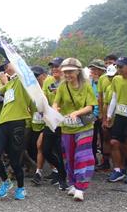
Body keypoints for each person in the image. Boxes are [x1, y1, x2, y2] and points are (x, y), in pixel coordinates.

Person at [53, 58, 97, 202]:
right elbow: (56, 102)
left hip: (84, 126)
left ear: (78, 71)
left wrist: (76, 113)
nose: (67, 75)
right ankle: (72, 183)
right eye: (65, 72)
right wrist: (55, 109)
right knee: (69, 156)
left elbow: (90, 106)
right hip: (67, 127)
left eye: (70, 71)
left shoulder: (86, 86)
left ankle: (80, 187)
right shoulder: (62, 86)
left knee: (82, 156)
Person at [0, 62, 32, 200]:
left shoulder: (22, 80)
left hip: (18, 122)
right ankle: (5, 181)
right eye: (4, 68)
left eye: (8, 65)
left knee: (15, 161)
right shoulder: (8, 85)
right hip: (2, 123)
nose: (6, 69)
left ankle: (21, 187)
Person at [105, 57, 127, 183]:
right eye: (117, 67)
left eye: (121, 67)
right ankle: (118, 170)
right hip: (120, 115)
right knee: (114, 142)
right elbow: (114, 98)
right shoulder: (116, 79)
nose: (119, 70)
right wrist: (109, 115)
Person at [41, 57, 67, 188]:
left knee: (59, 150)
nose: (54, 69)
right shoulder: (48, 81)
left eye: (57, 66)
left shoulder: (67, 81)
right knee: (45, 150)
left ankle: (63, 179)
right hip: (50, 121)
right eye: (52, 67)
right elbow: (44, 98)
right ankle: (61, 170)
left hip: (64, 122)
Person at [27, 66, 47, 184]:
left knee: (43, 146)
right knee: (31, 146)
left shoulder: (48, 88)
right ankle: (38, 168)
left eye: (37, 76)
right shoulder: (30, 89)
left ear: (44, 75)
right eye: (33, 76)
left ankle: (54, 171)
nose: (35, 78)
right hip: (34, 124)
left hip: (47, 124)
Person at [87, 60, 106, 168]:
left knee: (104, 138)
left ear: (101, 70)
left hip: (103, 113)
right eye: (92, 69)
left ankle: (105, 161)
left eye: (95, 69)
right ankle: (92, 161)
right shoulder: (89, 82)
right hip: (92, 114)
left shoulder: (106, 80)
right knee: (91, 138)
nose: (93, 71)